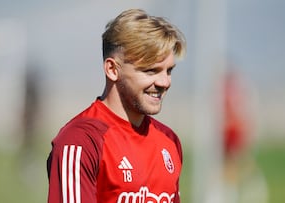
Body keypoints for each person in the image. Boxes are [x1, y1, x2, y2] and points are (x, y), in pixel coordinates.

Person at [46, 8, 186, 203]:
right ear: (112, 69)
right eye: (151, 71)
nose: (164, 82)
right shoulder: (81, 141)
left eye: (168, 71)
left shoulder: (169, 141)